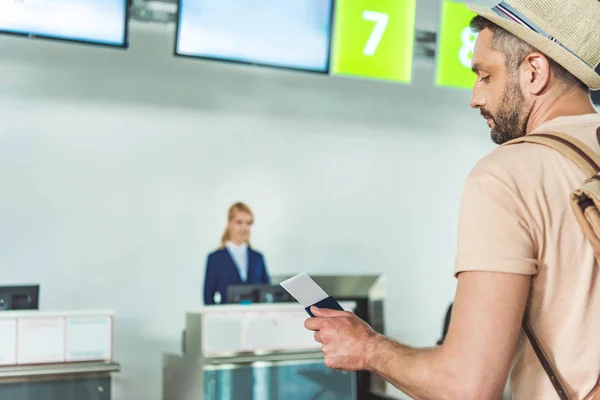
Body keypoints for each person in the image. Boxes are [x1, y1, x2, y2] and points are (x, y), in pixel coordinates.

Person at [304, 0, 600, 399]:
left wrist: (366, 347)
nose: (475, 98)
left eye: (485, 75)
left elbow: (466, 386)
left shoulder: (509, 172)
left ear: (534, 72)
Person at [203, 202, 271, 305]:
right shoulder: (215, 258)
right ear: (229, 224)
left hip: (256, 318)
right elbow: (208, 297)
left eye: (248, 223)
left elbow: (268, 291)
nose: (244, 228)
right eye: (239, 222)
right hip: (227, 318)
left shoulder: (257, 258)